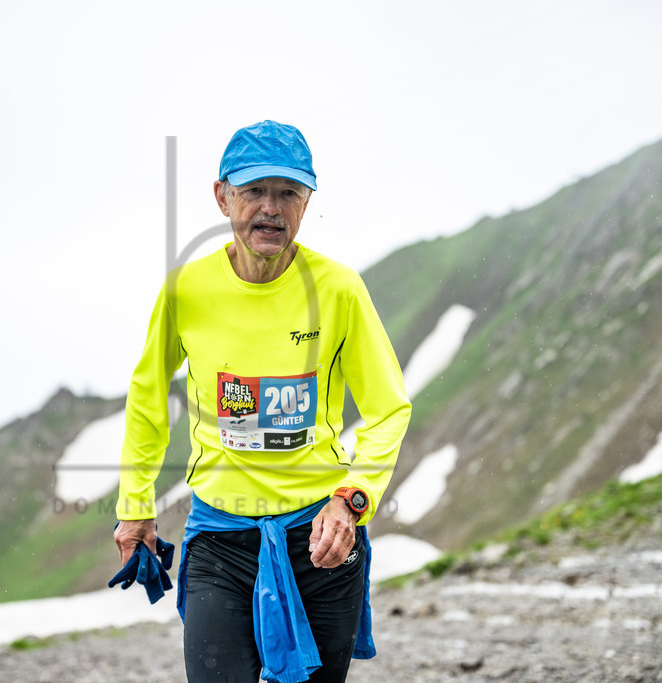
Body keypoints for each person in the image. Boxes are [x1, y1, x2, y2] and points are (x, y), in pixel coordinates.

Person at [113, 120, 411, 683]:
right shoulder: (185, 290)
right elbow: (149, 397)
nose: (270, 208)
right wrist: (135, 503)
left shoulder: (339, 289)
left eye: (288, 192)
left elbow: (389, 408)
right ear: (222, 195)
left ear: (307, 202)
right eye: (254, 191)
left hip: (323, 536)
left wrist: (351, 500)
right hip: (220, 541)